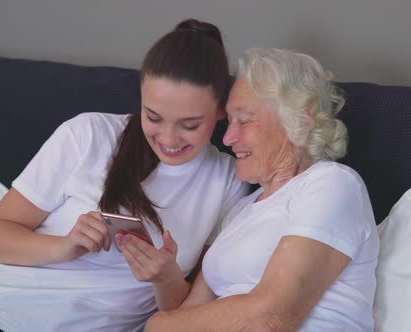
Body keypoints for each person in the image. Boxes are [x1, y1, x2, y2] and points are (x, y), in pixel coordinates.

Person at [0, 19, 249, 332]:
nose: (168, 140)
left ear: (221, 111)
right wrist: (64, 247)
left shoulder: (229, 181)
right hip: (9, 306)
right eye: (153, 117)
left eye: (189, 125)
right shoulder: (88, 134)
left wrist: (166, 278)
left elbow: (189, 315)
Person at [144, 48, 380, 331]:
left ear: (299, 122)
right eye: (229, 121)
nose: (229, 138)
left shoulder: (332, 184)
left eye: (243, 121)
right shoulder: (241, 210)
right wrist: (164, 285)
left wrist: (158, 324)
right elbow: (190, 314)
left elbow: (270, 318)